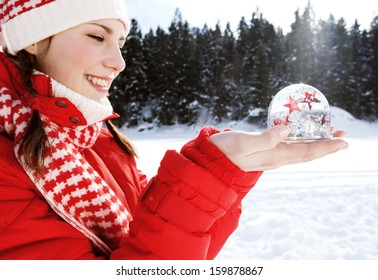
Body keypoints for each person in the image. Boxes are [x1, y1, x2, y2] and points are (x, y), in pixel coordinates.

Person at [0, 0, 348, 260]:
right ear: (33, 38)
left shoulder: (97, 137)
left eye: (120, 42)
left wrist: (221, 172)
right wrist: (210, 174)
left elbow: (165, 240)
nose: (119, 63)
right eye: (96, 36)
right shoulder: (8, 165)